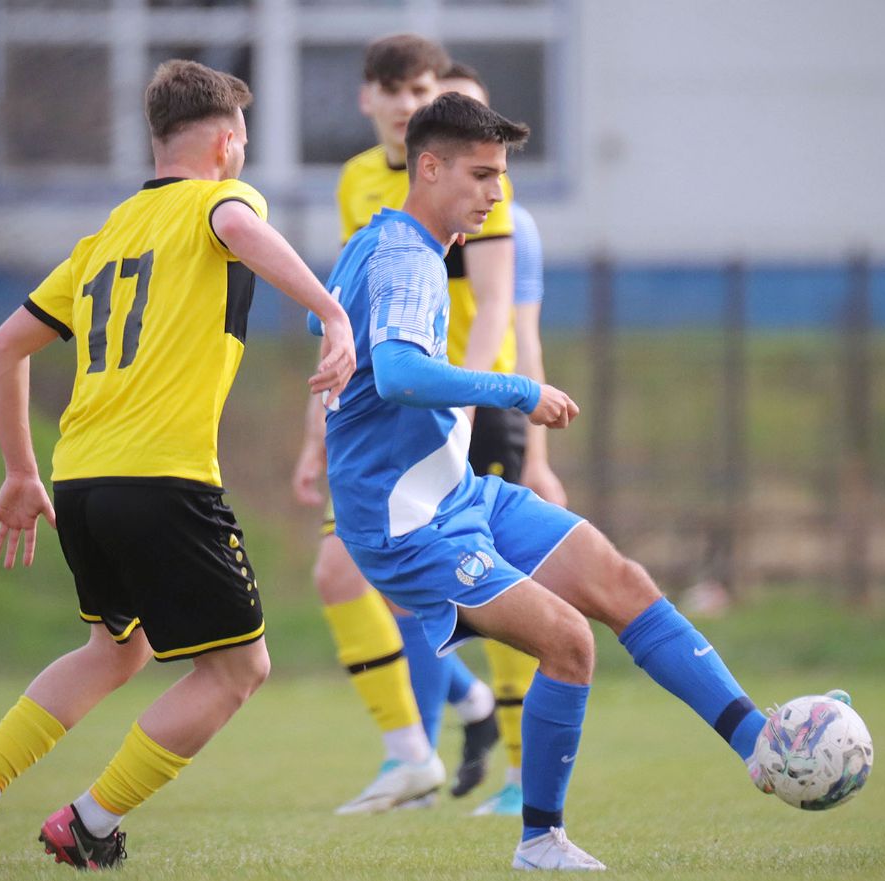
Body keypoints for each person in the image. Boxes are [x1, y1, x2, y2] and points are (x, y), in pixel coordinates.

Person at [312, 91, 797, 871]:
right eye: (481, 174)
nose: (496, 192)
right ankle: (540, 840)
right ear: (428, 167)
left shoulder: (382, 240)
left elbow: (327, 321)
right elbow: (399, 372)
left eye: (501, 175)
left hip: (453, 493)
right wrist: (518, 390)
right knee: (569, 641)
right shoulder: (407, 258)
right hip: (407, 522)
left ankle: (760, 743)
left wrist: (343, 352)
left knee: (620, 581)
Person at [0, 59, 355, 871]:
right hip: (163, 477)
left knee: (117, 648)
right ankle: (88, 821)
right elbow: (238, 229)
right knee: (239, 669)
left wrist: (20, 471)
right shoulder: (222, 200)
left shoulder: (106, 235)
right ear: (225, 145)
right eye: (244, 144)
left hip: (81, 478)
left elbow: (3, 346)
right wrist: (332, 312)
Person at [291, 33, 509, 813]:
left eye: (420, 90)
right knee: (360, 579)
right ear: (369, 99)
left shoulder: (473, 175)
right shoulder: (359, 182)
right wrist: (315, 427)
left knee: (469, 580)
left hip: (451, 403)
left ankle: (486, 763)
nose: (406, 104)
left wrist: (475, 401)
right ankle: (439, 733)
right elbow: (340, 316)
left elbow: (496, 300)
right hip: (377, 409)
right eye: (394, 91)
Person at [438, 61, 569, 818]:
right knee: (411, 584)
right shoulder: (398, 203)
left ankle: (521, 774)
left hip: (486, 412)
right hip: (427, 409)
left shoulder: (511, 222)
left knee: (499, 583)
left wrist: (539, 459)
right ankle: (472, 709)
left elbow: (523, 334)